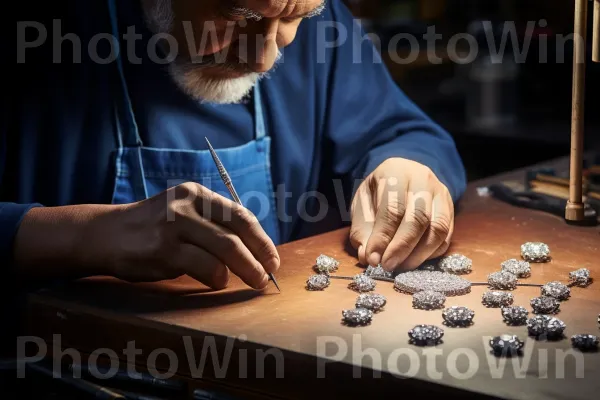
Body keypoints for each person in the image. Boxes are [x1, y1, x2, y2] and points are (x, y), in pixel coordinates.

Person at [3, 0, 466, 291]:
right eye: (238, 15)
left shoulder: (321, 29)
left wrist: (407, 166)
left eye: (295, 18)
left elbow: (403, 133)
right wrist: (80, 237)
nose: (264, 57)